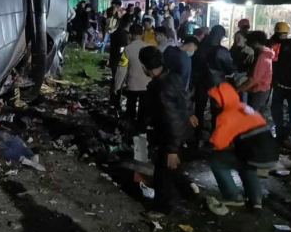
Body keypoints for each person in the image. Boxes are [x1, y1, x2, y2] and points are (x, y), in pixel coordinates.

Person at [139, 46, 198, 215]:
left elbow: (171, 120)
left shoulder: (159, 89)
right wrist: (189, 114)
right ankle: (188, 190)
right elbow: (184, 97)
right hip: (181, 129)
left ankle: (162, 207)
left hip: (171, 134)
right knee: (170, 167)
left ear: (145, 68)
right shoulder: (172, 76)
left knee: (162, 172)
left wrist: (172, 149)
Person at [208, 82, 276, 211]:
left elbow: (219, 143)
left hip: (254, 155)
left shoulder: (226, 115)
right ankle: (256, 200)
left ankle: (233, 196)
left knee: (216, 161)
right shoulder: (244, 108)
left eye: (215, 100)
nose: (214, 104)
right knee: (245, 164)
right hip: (270, 154)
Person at [114, 24, 151, 132]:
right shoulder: (149, 47)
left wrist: (117, 86)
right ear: (142, 34)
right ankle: (141, 132)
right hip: (147, 86)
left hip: (132, 85)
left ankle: (129, 130)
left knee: (130, 109)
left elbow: (122, 69)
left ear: (130, 35)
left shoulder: (128, 49)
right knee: (143, 112)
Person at [237, 31, 274, 115]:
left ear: (256, 43)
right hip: (263, 90)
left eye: (251, 43)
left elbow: (254, 79)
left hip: (258, 91)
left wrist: (240, 88)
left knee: (254, 117)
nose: (250, 46)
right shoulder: (265, 54)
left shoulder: (262, 57)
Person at [109, 16, 132, 113]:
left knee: (115, 81)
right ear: (128, 25)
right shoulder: (124, 35)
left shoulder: (115, 33)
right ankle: (116, 104)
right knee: (118, 84)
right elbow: (122, 49)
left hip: (114, 60)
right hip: (120, 62)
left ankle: (113, 102)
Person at [230, 31, 256, 103]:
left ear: (245, 39)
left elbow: (250, 67)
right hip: (233, 79)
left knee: (243, 101)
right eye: (235, 38)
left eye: (239, 38)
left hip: (243, 80)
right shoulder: (233, 50)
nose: (237, 40)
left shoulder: (249, 52)